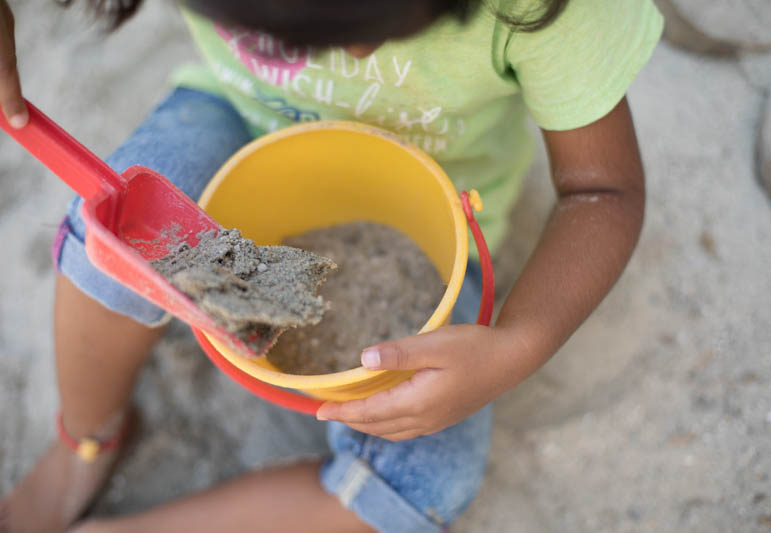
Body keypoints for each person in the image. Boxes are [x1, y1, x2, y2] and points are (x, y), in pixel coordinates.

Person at [0, 0, 664, 531]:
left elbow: (601, 189)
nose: (349, 55)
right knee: (103, 254)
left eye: (373, 21)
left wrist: (518, 344)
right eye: (276, 33)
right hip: (238, 120)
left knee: (422, 485)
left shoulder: (549, 9)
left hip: (435, 216)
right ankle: (84, 441)